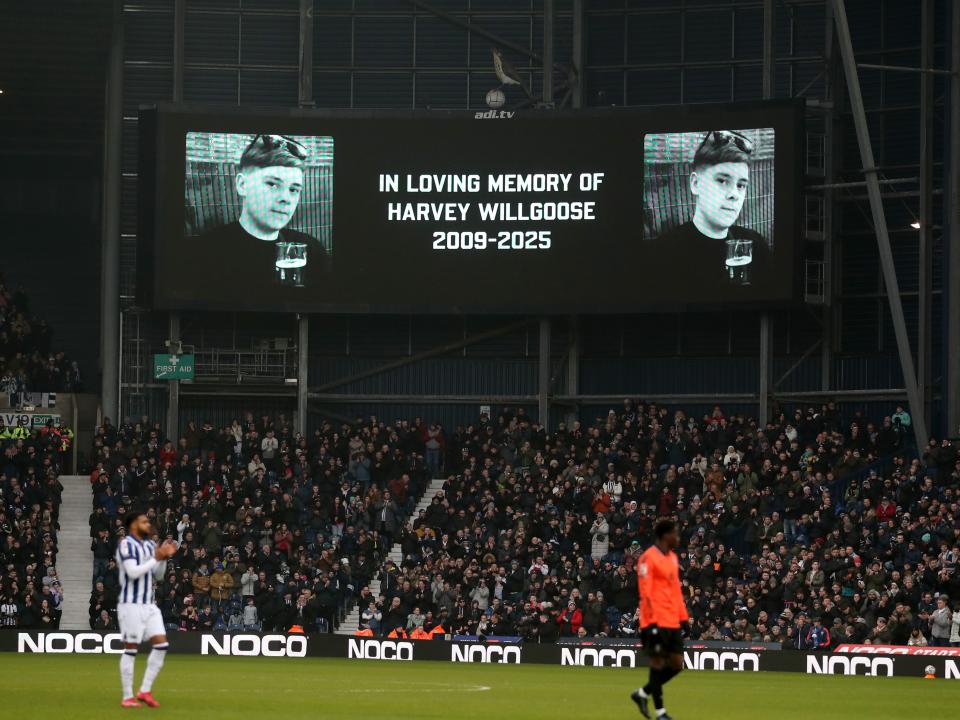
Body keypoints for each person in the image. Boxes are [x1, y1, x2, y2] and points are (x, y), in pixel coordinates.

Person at [194, 134, 330, 288]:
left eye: (293, 189)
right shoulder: (205, 253)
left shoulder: (312, 250)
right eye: (272, 184)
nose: (286, 198)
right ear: (242, 185)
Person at [656, 130, 771, 287]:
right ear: (695, 184)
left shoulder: (756, 245)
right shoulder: (665, 253)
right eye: (722, 181)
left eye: (741, 185)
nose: (734, 195)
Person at [116, 511, 177, 708]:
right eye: (144, 521)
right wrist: (156, 558)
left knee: (161, 645)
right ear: (133, 524)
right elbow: (133, 572)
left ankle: (144, 690)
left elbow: (158, 576)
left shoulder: (151, 545)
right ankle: (127, 696)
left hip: (149, 604)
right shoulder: (126, 544)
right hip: (130, 604)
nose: (148, 524)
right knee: (131, 649)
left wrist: (163, 558)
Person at [631, 519, 689, 720]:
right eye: (676, 533)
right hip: (654, 620)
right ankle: (661, 713)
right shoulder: (648, 558)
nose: (678, 537)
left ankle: (641, 694)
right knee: (656, 663)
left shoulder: (673, 557)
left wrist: (684, 618)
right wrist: (652, 621)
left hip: (672, 619)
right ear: (665, 535)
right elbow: (645, 592)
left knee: (677, 664)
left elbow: (676, 590)